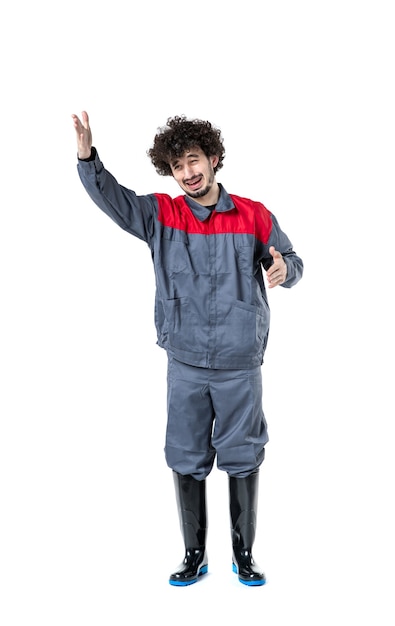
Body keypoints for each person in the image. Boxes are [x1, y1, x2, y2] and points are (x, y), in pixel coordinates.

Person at [71, 110, 304, 587]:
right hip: (186, 361)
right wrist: (87, 157)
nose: (188, 173)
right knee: (185, 454)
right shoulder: (161, 215)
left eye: (194, 160)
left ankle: (244, 554)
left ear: (214, 159)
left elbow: (292, 259)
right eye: (178, 166)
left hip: (240, 362)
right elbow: (112, 199)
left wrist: (286, 271)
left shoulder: (255, 215)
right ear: (170, 172)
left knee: (243, 454)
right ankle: (193, 553)